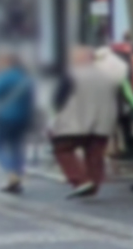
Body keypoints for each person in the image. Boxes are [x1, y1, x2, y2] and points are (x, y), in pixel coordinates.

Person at [46, 48, 126, 197]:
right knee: (95, 154)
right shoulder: (108, 76)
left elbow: (58, 100)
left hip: (74, 122)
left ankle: (81, 181)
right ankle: (93, 184)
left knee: (62, 149)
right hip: (103, 123)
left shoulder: (71, 74)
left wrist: (53, 119)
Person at [0, 49, 39, 195]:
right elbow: (31, 100)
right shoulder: (25, 78)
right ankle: (16, 179)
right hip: (22, 118)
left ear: (6, 62)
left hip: (4, 117)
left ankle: (11, 171)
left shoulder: (6, 76)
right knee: (16, 147)